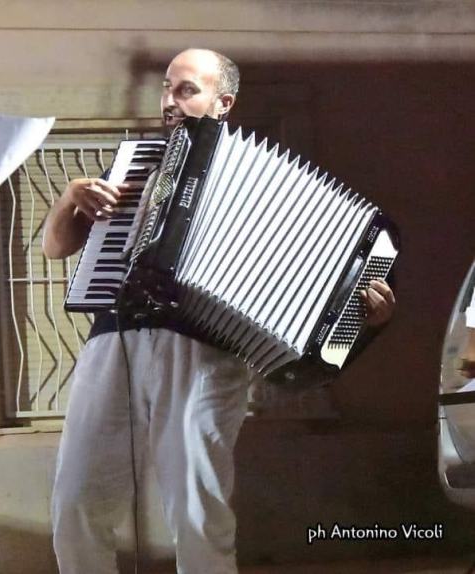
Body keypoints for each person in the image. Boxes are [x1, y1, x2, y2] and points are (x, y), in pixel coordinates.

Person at [44, 48, 396, 574]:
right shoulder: (137, 166)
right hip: (113, 337)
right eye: (167, 87)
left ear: (222, 101)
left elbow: (317, 280)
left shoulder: (271, 189)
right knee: (74, 500)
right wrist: (70, 198)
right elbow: (56, 249)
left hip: (206, 351)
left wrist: (367, 316)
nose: (170, 100)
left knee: (197, 509)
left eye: (186, 89)